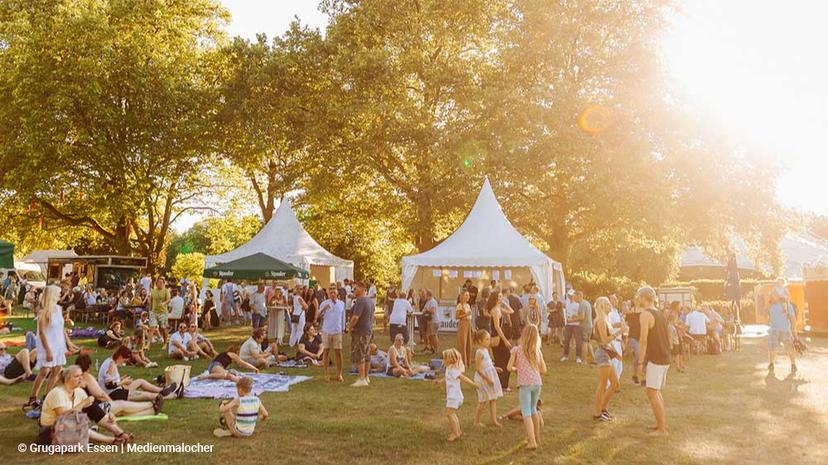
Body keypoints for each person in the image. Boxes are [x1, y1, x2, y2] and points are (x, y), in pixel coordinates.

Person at [37, 365, 123, 446]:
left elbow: (93, 409)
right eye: (77, 376)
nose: (81, 378)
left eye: (81, 375)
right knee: (74, 421)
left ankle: (120, 433)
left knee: (92, 407)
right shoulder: (57, 393)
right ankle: (110, 440)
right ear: (67, 379)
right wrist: (83, 403)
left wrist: (108, 414)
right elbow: (63, 417)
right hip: (50, 432)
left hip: (67, 428)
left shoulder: (78, 391)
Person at [27, 284, 74, 409]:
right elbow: (42, 332)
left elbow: (61, 328)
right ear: (52, 295)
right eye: (58, 293)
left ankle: (46, 397)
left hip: (58, 343)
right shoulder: (43, 312)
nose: (60, 295)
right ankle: (33, 397)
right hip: (47, 344)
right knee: (44, 371)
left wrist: (68, 342)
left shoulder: (58, 309)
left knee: (57, 370)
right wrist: (48, 351)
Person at [636, 286, 672, 436]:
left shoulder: (645, 314)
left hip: (656, 358)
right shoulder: (659, 313)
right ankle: (661, 424)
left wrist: (640, 363)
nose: (637, 299)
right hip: (664, 357)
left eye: (638, 297)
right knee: (655, 392)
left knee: (651, 392)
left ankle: (662, 429)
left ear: (643, 298)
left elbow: (643, 340)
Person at [507, 324, 547, 451]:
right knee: (533, 409)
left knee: (526, 412)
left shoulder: (517, 350)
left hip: (525, 384)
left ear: (523, 335)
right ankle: (537, 437)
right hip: (537, 383)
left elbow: (509, 367)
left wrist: (517, 369)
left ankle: (532, 441)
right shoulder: (537, 351)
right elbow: (543, 370)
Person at [433, 348, 479, 442]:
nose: (442, 360)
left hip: (454, 396)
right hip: (453, 396)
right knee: (451, 413)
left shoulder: (453, 370)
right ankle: (458, 431)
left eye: (444, 358)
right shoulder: (449, 369)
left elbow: (463, 378)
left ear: (450, 359)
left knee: (449, 414)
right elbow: (446, 378)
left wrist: (473, 384)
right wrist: (439, 382)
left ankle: (456, 433)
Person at [100, 345, 177, 401]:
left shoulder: (110, 361)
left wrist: (120, 379)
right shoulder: (111, 365)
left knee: (140, 381)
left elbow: (109, 380)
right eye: (124, 360)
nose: (123, 362)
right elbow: (109, 385)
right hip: (114, 394)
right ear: (120, 356)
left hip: (116, 390)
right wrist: (123, 382)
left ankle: (162, 390)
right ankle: (173, 395)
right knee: (147, 395)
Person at [592, 297, 622, 422]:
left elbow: (608, 342)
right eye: (608, 304)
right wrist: (619, 332)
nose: (610, 306)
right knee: (603, 384)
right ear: (602, 306)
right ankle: (597, 413)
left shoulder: (605, 320)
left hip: (607, 353)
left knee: (615, 384)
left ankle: (603, 409)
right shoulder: (600, 320)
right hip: (602, 353)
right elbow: (604, 341)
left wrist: (616, 353)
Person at [472, 330, 503, 427]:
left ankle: (494, 420)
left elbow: (487, 364)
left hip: (489, 377)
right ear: (480, 341)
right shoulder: (479, 352)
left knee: (493, 398)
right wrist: (487, 379)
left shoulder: (486, 350)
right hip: (482, 379)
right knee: (482, 400)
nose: (489, 341)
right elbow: (478, 369)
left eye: (489, 339)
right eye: (486, 339)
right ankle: (476, 421)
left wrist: (495, 368)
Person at [348, 282, 375, 387]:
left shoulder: (360, 300)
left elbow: (355, 317)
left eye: (355, 288)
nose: (353, 290)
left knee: (360, 354)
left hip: (360, 331)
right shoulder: (370, 301)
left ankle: (362, 378)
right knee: (367, 354)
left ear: (362, 288)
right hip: (368, 331)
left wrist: (350, 327)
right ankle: (366, 377)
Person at [319, 286, 345, 382]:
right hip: (326, 331)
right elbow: (318, 315)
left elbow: (343, 317)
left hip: (337, 331)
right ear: (329, 294)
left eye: (334, 292)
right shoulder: (324, 303)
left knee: (338, 352)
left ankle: (339, 374)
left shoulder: (341, 303)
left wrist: (343, 329)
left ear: (337, 293)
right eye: (331, 293)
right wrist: (324, 309)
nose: (333, 294)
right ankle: (327, 374)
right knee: (326, 352)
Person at [488, 290, 512, 392]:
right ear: (496, 298)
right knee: (502, 360)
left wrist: (504, 303)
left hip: (500, 337)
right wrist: (505, 340)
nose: (501, 298)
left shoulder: (499, 308)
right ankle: (502, 385)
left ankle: (502, 384)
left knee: (505, 359)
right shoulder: (495, 310)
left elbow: (511, 311)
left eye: (502, 296)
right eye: (500, 297)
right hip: (498, 338)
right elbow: (497, 327)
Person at [767, 292, 797, 374]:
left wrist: (793, 330)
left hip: (785, 330)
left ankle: (793, 364)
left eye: (772, 296)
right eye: (770, 296)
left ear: (777, 296)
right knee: (772, 347)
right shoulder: (771, 305)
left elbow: (793, 318)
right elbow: (770, 316)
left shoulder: (787, 305)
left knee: (789, 347)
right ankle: (771, 364)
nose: (770, 297)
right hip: (774, 330)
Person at [561, 290, 582, 363]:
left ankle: (578, 357)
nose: (570, 297)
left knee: (578, 341)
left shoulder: (578, 304)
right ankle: (565, 356)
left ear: (574, 296)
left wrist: (573, 319)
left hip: (576, 325)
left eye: (571, 295)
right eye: (569, 295)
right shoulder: (567, 303)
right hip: (568, 324)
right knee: (566, 340)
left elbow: (579, 315)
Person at [149, 277, 171, 345]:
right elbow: (151, 300)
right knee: (152, 328)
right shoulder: (153, 291)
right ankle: (148, 344)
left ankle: (165, 343)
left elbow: (168, 300)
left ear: (164, 284)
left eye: (162, 283)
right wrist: (150, 309)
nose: (160, 284)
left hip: (163, 312)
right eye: (159, 282)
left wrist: (163, 303)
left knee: (164, 328)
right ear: (156, 283)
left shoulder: (166, 291)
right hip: (154, 312)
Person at [625, 301, 643, 384]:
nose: (637, 301)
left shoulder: (645, 310)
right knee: (638, 356)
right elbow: (626, 322)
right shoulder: (631, 311)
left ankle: (642, 376)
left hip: (643, 336)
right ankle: (635, 375)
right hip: (634, 336)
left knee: (643, 357)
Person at [456, 290, 473, 366]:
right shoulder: (460, 305)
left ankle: (468, 361)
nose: (468, 297)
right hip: (463, 323)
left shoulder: (467, 305)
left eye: (468, 295)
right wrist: (466, 314)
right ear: (462, 296)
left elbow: (469, 316)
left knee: (468, 343)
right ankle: (463, 362)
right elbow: (457, 316)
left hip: (468, 323)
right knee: (463, 343)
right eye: (466, 295)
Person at [422, 289, 440, 354]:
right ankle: (433, 349)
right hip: (429, 321)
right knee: (429, 335)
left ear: (428, 295)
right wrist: (425, 310)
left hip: (434, 321)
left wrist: (427, 309)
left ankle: (436, 349)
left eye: (426, 295)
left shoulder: (433, 301)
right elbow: (423, 310)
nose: (425, 296)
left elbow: (433, 311)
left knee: (434, 335)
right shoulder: (428, 301)